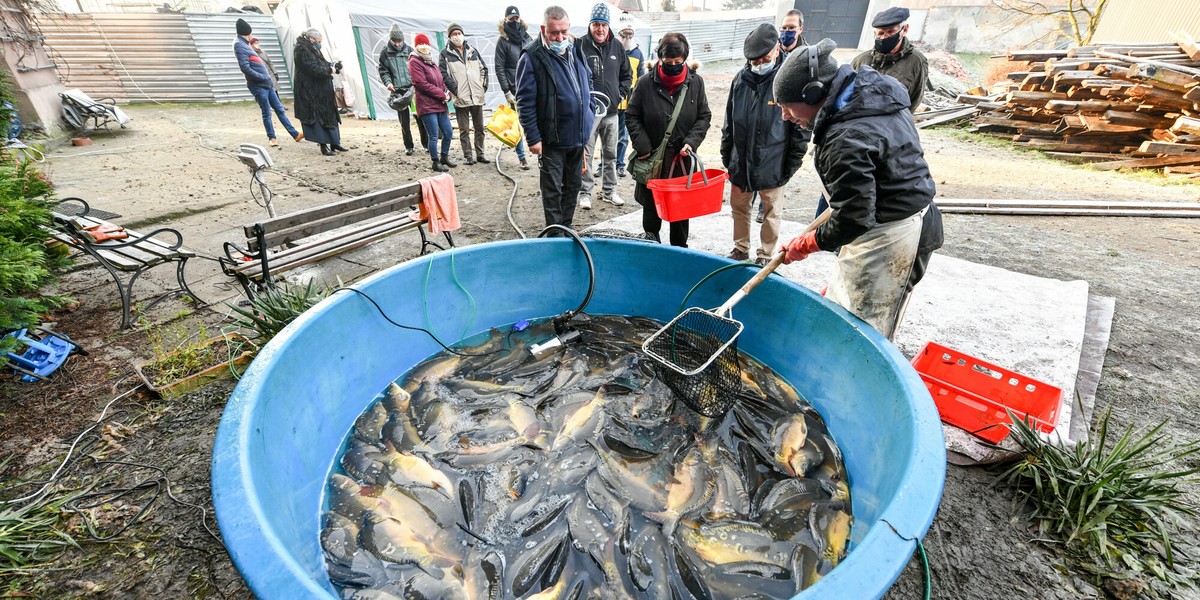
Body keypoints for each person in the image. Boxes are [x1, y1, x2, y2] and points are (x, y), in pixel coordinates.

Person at [774, 39, 943, 340]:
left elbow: (854, 217)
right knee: (843, 309)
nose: (785, 116)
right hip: (882, 222)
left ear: (813, 93)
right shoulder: (869, 96)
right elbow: (866, 188)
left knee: (865, 332)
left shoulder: (847, 136)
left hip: (893, 237)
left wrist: (807, 244)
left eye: (787, 107)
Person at [721, 24, 808, 266]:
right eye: (754, 60)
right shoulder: (741, 79)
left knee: (771, 212)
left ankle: (766, 254)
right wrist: (727, 157)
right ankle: (741, 247)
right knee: (739, 207)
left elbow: (801, 129)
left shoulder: (789, 78)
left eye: (764, 58)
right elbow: (729, 119)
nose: (759, 63)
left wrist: (791, 164)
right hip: (741, 160)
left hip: (773, 160)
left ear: (777, 47)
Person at [625, 32, 711, 248]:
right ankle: (652, 251)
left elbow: (704, 116)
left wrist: (692, 141)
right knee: (651, 214)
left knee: (680, 216)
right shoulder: (645, 84)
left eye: (678, 62)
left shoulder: (696, 83)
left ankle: (679, 254)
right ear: (660, 58)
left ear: (685, 59)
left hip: (681, 161)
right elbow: (632, 114)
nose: (673, 65)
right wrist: (643, 146)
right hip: (652, 159)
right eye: (668, 61)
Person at [515, 5, 595, 234]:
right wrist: (533, 137)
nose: (560, 37)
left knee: (574, 186)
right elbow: (525, 100)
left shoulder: (576, 48)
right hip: (552, 138)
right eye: (554, 33)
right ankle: (554, 233)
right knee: (552, 189)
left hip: (578, 136)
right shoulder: (532, 57)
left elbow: (587, 81)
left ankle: (566, 227)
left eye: (563, 32)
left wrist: (588, 111)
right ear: (544, 29)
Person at [575, 3, 631, 209]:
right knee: (586, 154)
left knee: (611, 153)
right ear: (590, 25)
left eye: (603, 25)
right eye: (596, 24)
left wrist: (619, 94)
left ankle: (609, 191)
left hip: (611, 113)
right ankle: (585, 193)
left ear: (608, 26)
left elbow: (627, 75)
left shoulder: (617, 46)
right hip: (588, 114)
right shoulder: (579, 45)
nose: (600, 29)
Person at [235, 19, 301, 147]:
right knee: (267, 112)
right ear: (246, 34)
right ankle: (272, 138)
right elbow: (245, 67)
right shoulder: (239, 45)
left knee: (280, 109)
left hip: (268, 84)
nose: (252, 37)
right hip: (259, 86)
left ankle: (295, 134)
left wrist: (269, 78)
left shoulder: (246, 44)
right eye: (251, 34)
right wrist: (261, 77)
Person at [851, 7, 928, 112]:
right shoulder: (861, 60)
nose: (884, 38)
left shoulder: (916, 62)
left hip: (893, 124)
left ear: (904, 30)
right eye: (881, 33)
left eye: (891, 32)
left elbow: (915, 99)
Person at [440, 23, 490, 165]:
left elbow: (484, 69)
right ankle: (468, 155)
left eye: (459, 33)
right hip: (461, 97)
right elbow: (444, 74)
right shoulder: (445, 54)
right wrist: (456, 91)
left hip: (477, 96)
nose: (457, 36)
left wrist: (482, 86)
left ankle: (480, 154)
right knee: (464, 130)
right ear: (449, 36)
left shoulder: (472, 51)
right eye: (454, 34)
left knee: (480, 128)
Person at [292, 28, 345, 156]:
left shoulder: (311, 48)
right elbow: (312, 68)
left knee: (329, 116)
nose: (320, 43)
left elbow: (321, 63)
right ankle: (323, 145)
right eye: (319, 41)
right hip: (310, 92)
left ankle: (334, 142)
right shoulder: (301, 49)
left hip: (321, 90)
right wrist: (330, 70)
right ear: (312, 39)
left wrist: (333, 66)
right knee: (318, 119)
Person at [409, 33, 457, 173]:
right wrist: (441, 94)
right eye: (420, 44)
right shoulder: (414, 62)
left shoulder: (431, 61)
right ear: (416, 46)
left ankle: (444, 156)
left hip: (440, 103)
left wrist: (446, 92)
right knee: (434, 135)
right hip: (426, 105)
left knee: (448, 132)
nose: (423, 46)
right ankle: (435, 161)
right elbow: (421, 84)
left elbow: (439, 79)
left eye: (425, 44)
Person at [378, 24, 425, 156]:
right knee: (404, 121)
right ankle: (408, 146)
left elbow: (417, 69)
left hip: (412, 89)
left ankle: (426, 144)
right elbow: (383, 71)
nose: (398, 44)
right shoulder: (385, 53)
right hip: (397, 91)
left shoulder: (410, 50)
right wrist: (388, 83)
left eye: (400, 41)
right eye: (395, 41)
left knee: (420, 117)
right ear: (391, 40)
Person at [495, 5, 532, 170]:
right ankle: (522, 157)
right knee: (516, 124)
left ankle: (539, 154)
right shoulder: (503, 41)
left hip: (531, 86)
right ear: (506, 20)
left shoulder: (527, 37)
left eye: (516, 18)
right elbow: (499, 67)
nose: (514, 21)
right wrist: (506, 91)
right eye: (511, 18)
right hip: (514, 89)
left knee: (535, 121)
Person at [614, 13, 644, 179]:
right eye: (624, 33)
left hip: (629, 99)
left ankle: (619, 164)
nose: (627, 36)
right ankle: (603, 164)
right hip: (613, 98)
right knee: (608, 135)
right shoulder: (613, 49)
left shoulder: (638, 53)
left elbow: (641, 77)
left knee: (623, 136)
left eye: (630, 33)